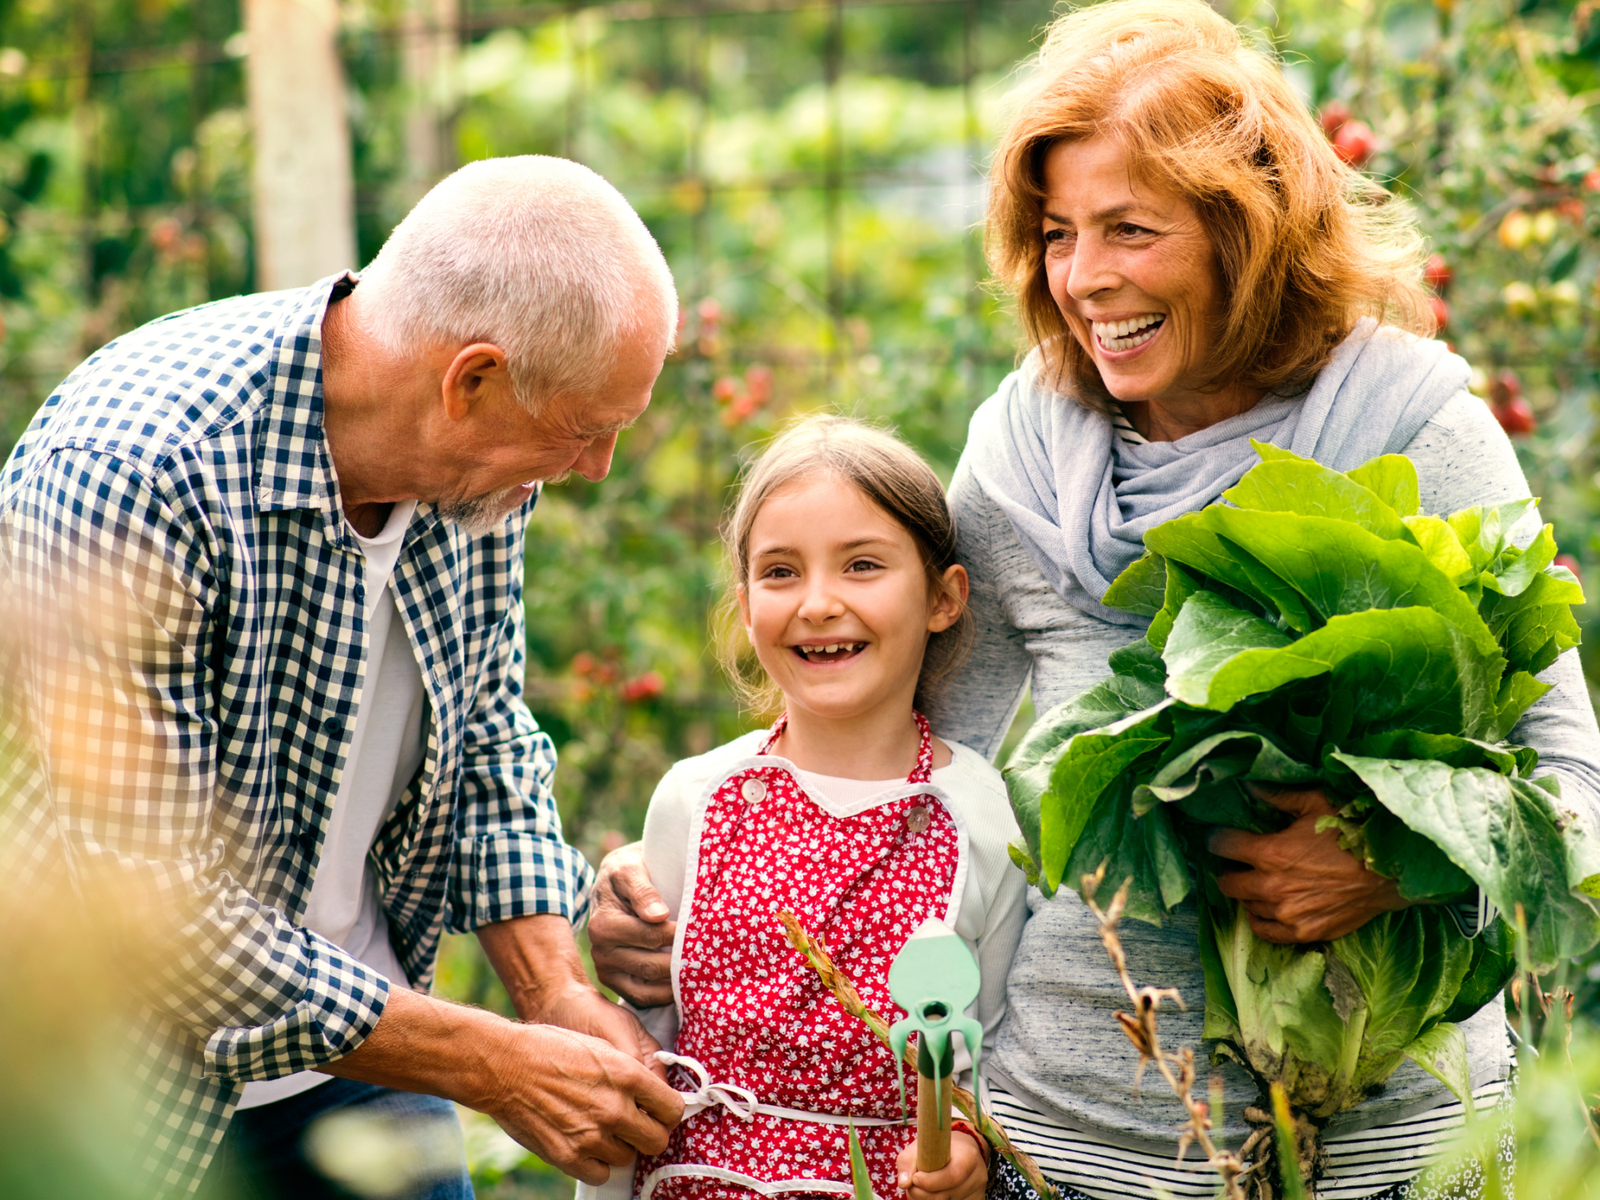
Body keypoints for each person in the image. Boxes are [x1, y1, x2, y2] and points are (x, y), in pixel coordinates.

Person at [585, 5, 1600, 1199]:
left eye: (1131, 230)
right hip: (1067, 1144)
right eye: (1059, 235)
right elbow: (898, 779)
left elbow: (1568, 795)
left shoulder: (1414, 435)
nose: (1085, 279)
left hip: (1389, 1146)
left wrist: (1393, 863)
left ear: (1249, 233)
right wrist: (681, 896)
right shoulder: (1024, 452)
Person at [0, 156, 686, 1200]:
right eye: (588, 430)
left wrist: (551, 995)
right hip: (110, 1088)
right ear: (473, 379)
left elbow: (488, 740)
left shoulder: (480, 475)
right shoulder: (139, 473)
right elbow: (163, 918)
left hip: (359, 1057)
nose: (592, 468)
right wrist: (494, 1062)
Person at [592, 417, 1025, 1200]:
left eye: (862, 566)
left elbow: (987, 1049)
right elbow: (640, 1054)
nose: (819, 604)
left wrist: (967, 1148)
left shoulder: (978, 816)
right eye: (781, 572)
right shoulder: (695, 798)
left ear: (943, 597)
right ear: (746, 603)